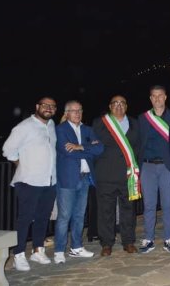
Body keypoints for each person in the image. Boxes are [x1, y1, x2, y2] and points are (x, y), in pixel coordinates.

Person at [3, 97, 58, 271]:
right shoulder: (24, 127)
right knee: (25, 219)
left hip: (49, 181)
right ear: (37, 107)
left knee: (42, 218)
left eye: (52, 106)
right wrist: (22, 164)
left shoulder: (51, 125)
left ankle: (37, 250)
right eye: (45, 105)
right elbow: (8, 150)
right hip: (28, 181)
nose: (48, 108)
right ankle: (19, 254)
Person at [53, 101, 104, 264]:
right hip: (68, 178)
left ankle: (76, 247)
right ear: (66, 113)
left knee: (79, 215)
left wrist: (80, 147)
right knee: (64, 216)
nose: (77, 113)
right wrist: (87, 149)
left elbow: (100, 149)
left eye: (79, 110)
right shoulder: (60, 129)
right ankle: (59, 250)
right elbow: (67, 152)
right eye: (73, 111)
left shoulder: (87, 129)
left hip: (85, 178)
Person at [92, 95, 142, 256]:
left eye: (122, 103)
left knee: (129, 210)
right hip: (106, 174)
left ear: (126, 106)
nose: (119, 106)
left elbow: (139, 147)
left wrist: (136, 169)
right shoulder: (100, 123)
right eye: (115, 103)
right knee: (106, 211)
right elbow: (93, 146)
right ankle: (107, 243)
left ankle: (128, 241)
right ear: (110, 106)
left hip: (128, 175)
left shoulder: (135, 123)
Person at [137, 85, 170, 254]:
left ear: (165, 97)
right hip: (147, 166)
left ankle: (168, 238)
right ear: (150, 99)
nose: (157, 99)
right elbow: (137, 142)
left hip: (167, 167)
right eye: (154, 96)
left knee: (168, 204)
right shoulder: (143, 118)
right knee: (148, 205)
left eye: (160, 95)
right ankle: (148, 238)